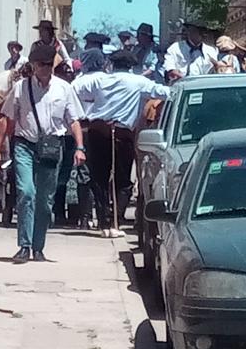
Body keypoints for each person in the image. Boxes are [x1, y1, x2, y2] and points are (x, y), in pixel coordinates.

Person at [0, 42, 87, 263]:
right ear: (33, 65)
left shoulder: (64, 89)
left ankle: (38, 246)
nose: (45, 68)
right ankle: (24, 246)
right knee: (26, 192)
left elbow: (73, 120)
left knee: (45, 200)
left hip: (51, 147)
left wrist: (80, 147)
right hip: (25, 144)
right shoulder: (21, 88)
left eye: (48, 64)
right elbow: (8, 119)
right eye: (41, 64)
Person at [74, 49, 172, 237]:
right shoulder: (137, 81)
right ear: (131, 66)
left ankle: (103, 222)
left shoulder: (100, 80)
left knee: (99, 178)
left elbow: (76, 91)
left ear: (111, 64)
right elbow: (164, 92)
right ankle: (116, 222)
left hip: (98, 129)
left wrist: (88, 103)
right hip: (122, 132)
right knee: (123, 179)